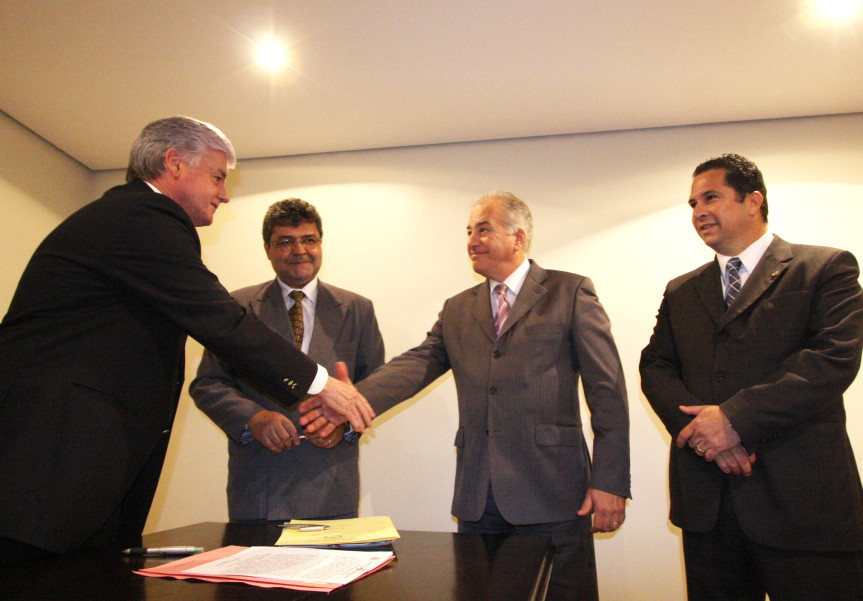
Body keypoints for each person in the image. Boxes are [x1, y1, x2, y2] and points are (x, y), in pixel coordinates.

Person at [0, 116, 373, 565]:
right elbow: (220, 320)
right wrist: (321, 383)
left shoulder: (131, 218)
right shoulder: (142, 218)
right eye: (217, 176)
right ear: (174, 163)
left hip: (76, 455)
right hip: (50, 454)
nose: (224, 193)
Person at [302, 191, 630, 601]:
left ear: (518, 237)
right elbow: (418, 364)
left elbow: (607, 390)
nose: (472, 241)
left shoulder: (569, 291)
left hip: (554, 492)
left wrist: (610, 481)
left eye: (484, 230)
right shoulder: (458, 308)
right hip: (480, 498)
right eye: (469, 231)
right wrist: (351, 399)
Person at [640, 153, 863, 600]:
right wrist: (703, 434)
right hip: (709, 505)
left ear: (753, 201)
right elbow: (655, 367)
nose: (699, 211)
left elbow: (831, 359)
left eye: (711, 197)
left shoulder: (824, 267)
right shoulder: (681, 290)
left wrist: (733, 420)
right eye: (693, 203)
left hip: (803, 503)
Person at [190, 198, 385, 522]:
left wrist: (344, 425)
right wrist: (253, 419)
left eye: (309, 240)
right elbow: (208, 383)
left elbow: (374, 388)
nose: (300, 250)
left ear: (320, 244)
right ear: (267, 248)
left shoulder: (357, 310)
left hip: (331, 483)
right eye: (285, 242)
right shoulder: (236, 307)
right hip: (259, 483)